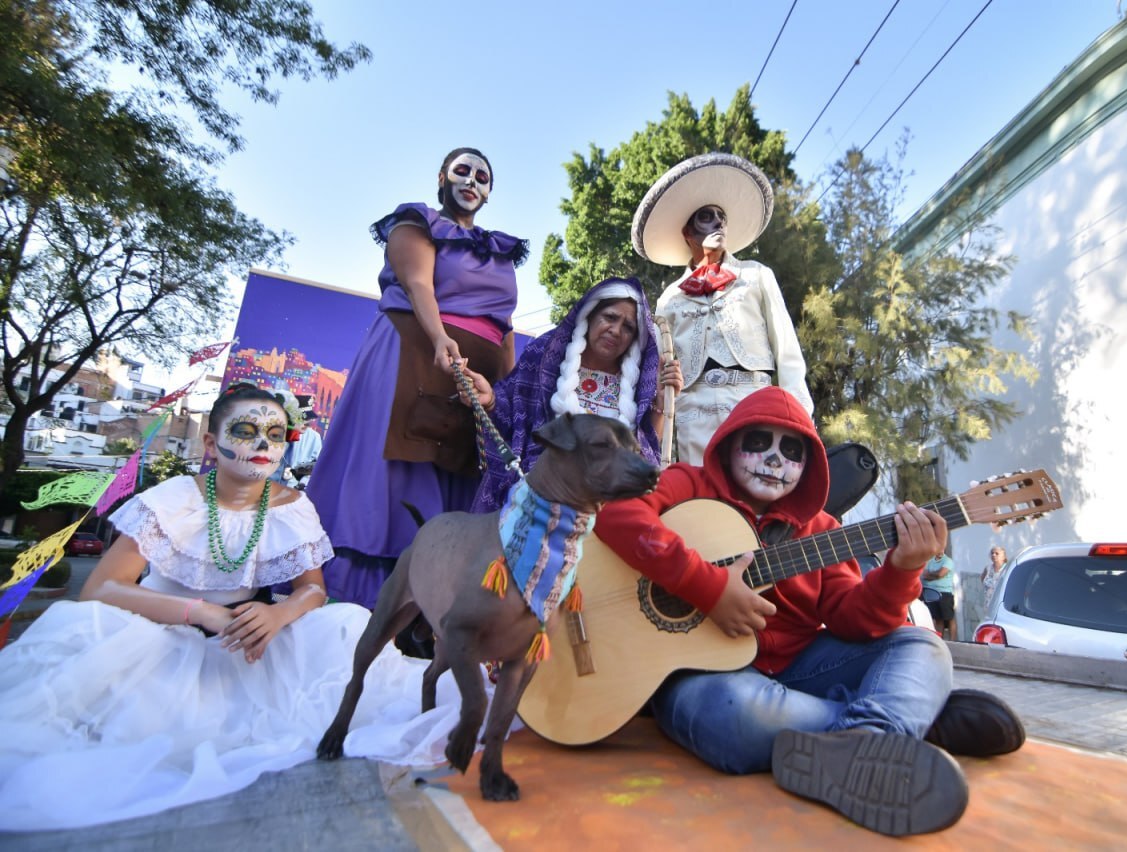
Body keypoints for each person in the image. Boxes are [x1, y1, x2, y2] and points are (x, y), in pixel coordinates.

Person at [0, 384, 491, 830]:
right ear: (211, 445)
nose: (262, 445)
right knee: (107, 669)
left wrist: (278, 614)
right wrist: (201, 613)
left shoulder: (293, 506)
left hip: (249, 641)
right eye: (246, 430)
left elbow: (313, 591)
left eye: (275, 434)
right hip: (159, 637)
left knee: (344, 625)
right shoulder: (170, 500)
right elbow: (101, 590)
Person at [593, 386, 1023, 837]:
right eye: (759, 442)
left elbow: (853, 620)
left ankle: (868, 739)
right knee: (729, 710)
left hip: (797, 669)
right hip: (700, 676)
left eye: (791, 450)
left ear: (808, 464)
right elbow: (617, 514)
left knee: (924, 646)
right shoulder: (686, 485)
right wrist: (707, 588)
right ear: (730, 443)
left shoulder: (824, 531)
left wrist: (903, 569)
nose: (775, 460)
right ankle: (908, 727)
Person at [307, 147, 526, 609]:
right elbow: (417, 283)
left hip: (473, 376)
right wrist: (440, 338)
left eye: (483, 177)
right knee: (396, 476)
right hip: (414, 353)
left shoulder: (500, 249)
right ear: (442, 177)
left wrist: (508, 399)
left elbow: (504, 326)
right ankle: (368, 604)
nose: (472, 181)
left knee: (461, 481)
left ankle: (436, 610)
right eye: (462, 171)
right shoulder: (419, 221)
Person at [632, 152, 813, 466]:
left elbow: (787, 351)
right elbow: (659, 368)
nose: (717, 221)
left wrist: (798, 415)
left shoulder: (756, 275)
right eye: (706, 216)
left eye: (721, 216)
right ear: (687, 233)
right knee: (707, 504)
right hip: (692, 417)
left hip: (756, 401)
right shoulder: (670, 298)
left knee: (762, 491)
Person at [459, 276, 683, 514]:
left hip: (614, 497)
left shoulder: (640, 380)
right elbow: (515, 415)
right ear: (589, 314)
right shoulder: (545, 354)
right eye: (610, 317)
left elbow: (644, 448)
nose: (616, 331)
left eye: (628, 327)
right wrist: (490, 400)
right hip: (544, 488)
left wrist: (660, 403)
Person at [922, 552, 958, 641]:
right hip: (931, 593)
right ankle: (939, 639)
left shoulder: (948, 561)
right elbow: (925, 575)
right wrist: (936, 575)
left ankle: (953, 640)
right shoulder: (929, 561)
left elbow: (941, 574)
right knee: (938, 618)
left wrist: (933, 575)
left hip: (944, 593)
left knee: (949, 617)